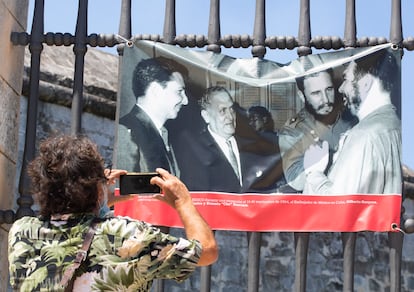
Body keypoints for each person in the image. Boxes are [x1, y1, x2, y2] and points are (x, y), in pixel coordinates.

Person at [8, 135, 218, 291]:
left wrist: (97, 197)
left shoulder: (22, 231)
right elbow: (207, 251)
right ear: (96, 187)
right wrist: (183, 202)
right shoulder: (128, 234)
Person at [303, 50, 402, 194]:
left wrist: (314, 172)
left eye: (346, 79)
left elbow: (339, 208)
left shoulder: (363, 136)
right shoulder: (396, 125)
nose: (341, 88)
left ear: (366, 82)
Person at [174, 86, 283, 193]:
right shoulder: (195, 150)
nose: (230, 116)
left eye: (232, 109)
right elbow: (197, 197)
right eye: (222, 110)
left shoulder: (252, 147)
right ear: (206, 116)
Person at [279, 66, 356, 192]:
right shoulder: (293, 130)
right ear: (302, 96)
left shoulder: (351, 117)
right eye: (316, 93)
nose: (326, 100)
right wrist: (325, 160)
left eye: (329, 89)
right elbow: (294, 180)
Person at [117, 57, 189, 177]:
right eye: (179, 91)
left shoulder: (163, 133)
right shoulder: (125, 132)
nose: (185, 101)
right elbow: (123, 192)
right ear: (155, 90)